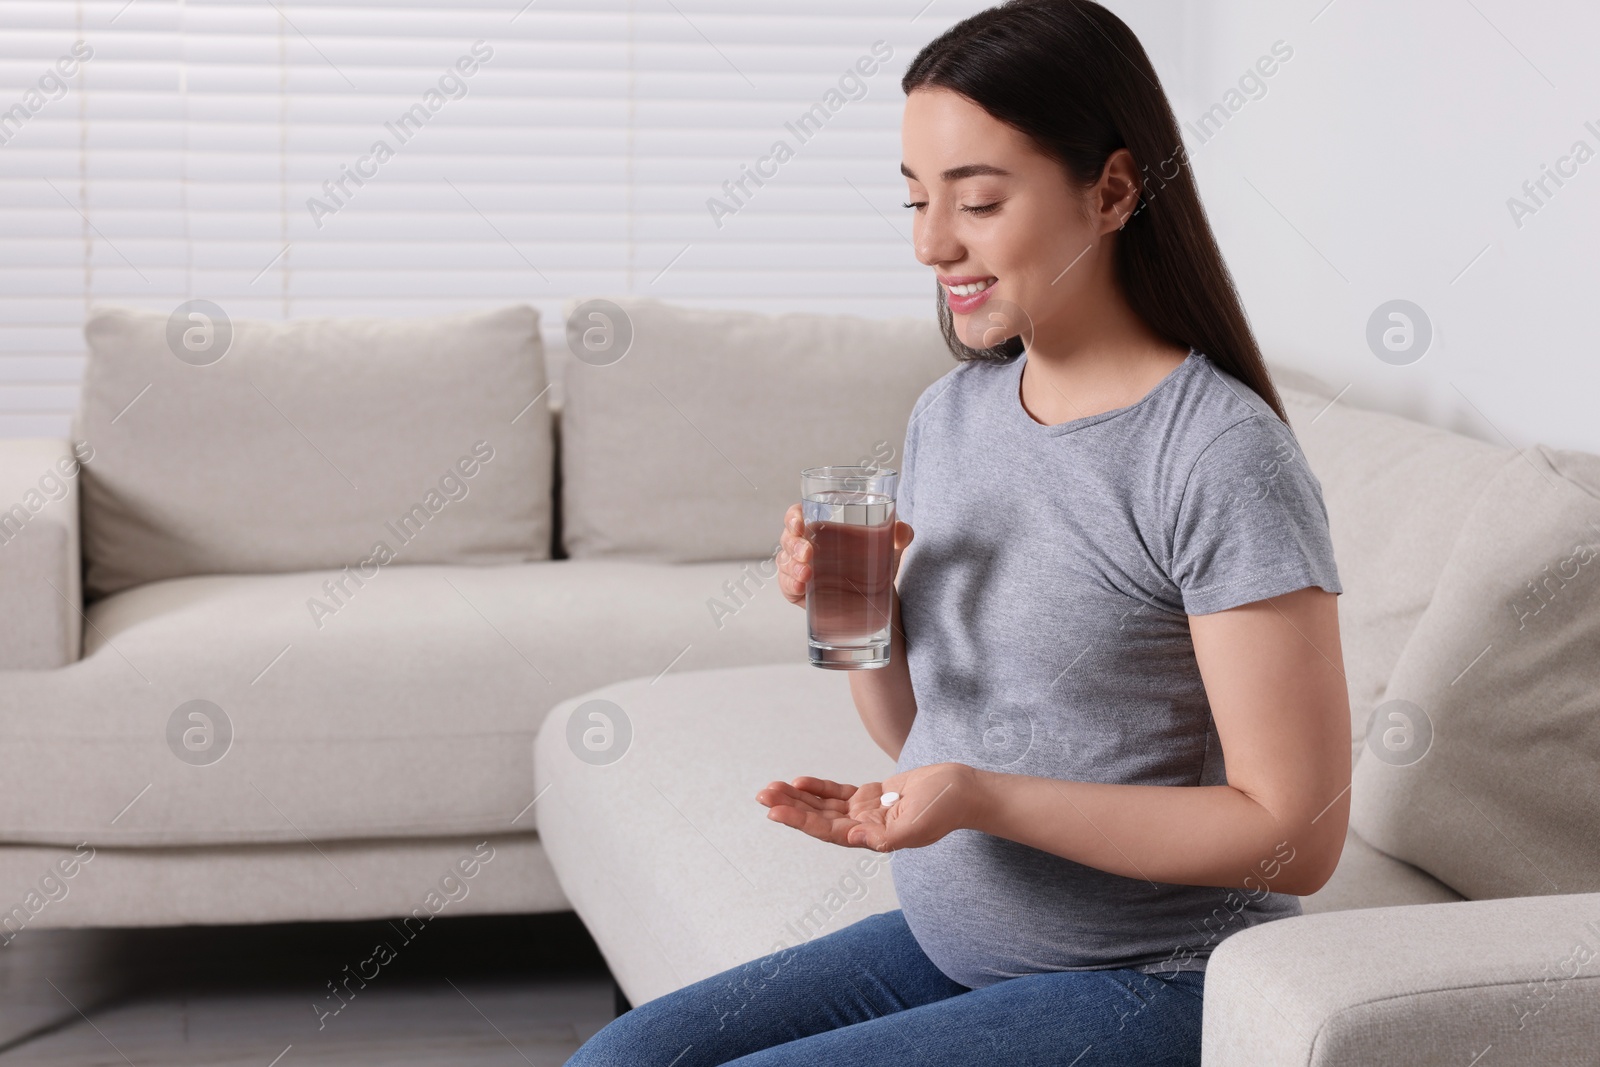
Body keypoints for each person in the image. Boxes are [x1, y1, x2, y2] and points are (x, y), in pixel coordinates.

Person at [565, 1, 1349, 1063]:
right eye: (916, 199)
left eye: (977, 200)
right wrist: (865, 611)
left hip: (1149, 983)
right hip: (952, 947)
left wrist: (981, 795)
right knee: (617, 1058)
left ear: (1112, 190)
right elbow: (914, 733)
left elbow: (1293, 835)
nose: (933, 242)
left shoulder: (1213, 454)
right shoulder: (953, 414)